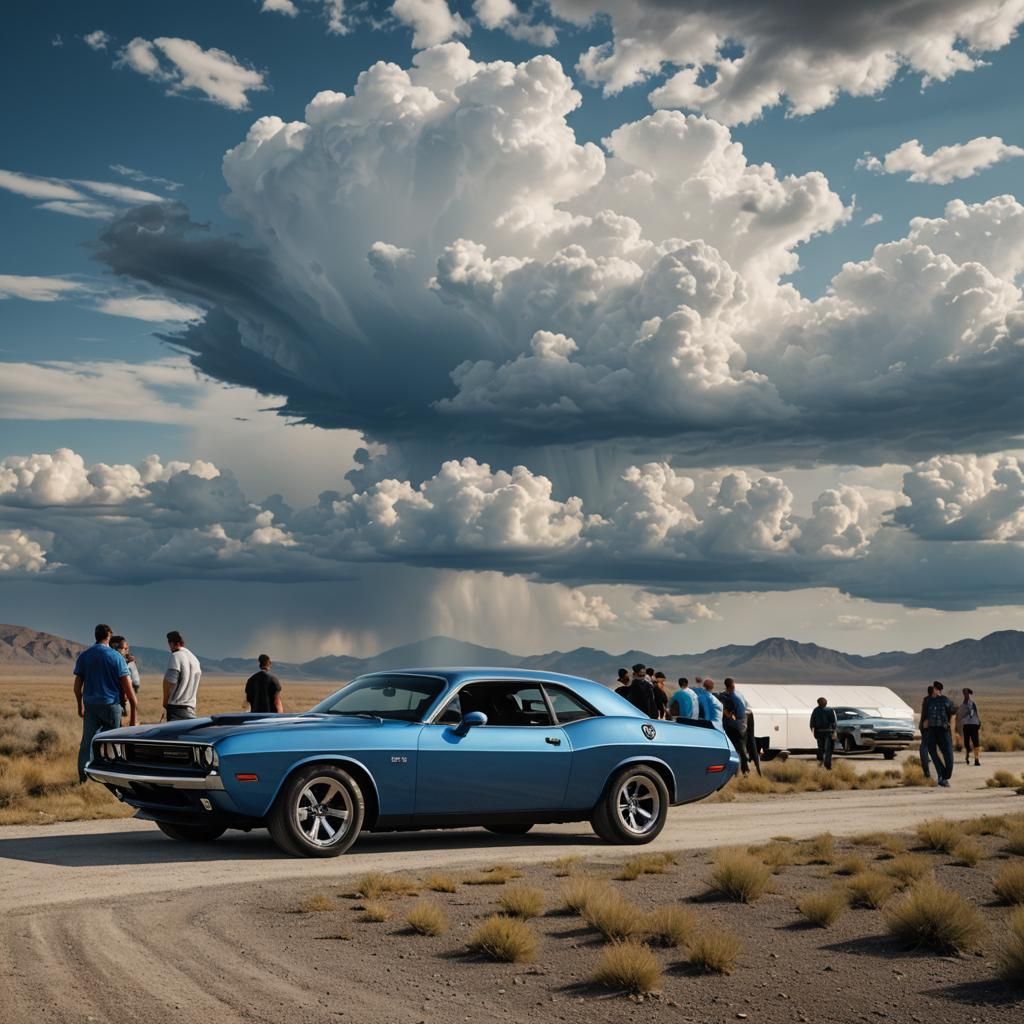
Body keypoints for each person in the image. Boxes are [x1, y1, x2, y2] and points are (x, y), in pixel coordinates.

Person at [74, 624, 137, 782]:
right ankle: (112, 778)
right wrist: (134, 710)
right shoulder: (116, 657)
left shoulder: (85, 656)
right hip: (111, 705)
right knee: (112, 743)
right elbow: (129, 690)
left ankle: (84, 778)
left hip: (91, 705)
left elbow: (76, 687)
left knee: (87, 743)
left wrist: (79, 705)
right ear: (109, 636)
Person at [922, 681, 956, 787]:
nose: (934, 691)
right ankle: (941, 776)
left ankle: (946, 775)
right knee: (932, 752)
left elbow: (953, 714)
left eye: (935, 689)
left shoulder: (945, 700)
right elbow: (924, 715)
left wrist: (952, 729)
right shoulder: (928, 701)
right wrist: (924, 724)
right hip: (932, 731)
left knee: (949, 755)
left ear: (938, 690)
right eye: (933, 689)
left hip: (943, 730)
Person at [162, 630, 202, 721]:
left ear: (172, 643)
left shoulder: (176, 656)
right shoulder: (194, 659)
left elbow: (169, 681)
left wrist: (165, 701)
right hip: (191, 709)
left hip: (176, 709)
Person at [719, 677, 750, 775]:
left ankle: (735, 771)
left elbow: (729, 715)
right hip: (744, 724)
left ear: (726, 686)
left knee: (734, 748)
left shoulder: (730, 698)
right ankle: (745, 770)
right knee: (742, 748)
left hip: (735, 726)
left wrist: (723, 711)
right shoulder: (739, 694)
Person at [110, 636, 141, 707]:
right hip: (120, 698)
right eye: (123, 648)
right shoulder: (125, 663)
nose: (126, 651)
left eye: (126, 648)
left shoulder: (126, 662)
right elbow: (133, 681)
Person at [809, 697, 837, 770]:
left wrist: (813, 732)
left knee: (820, 748)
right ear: (825, 703)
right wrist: (834, 731)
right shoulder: (830, 710)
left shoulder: (815, 710)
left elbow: (812, 722)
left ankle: (820, 762)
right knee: (828, 749)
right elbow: (833, 722)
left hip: (819, 732)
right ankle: (827, 765)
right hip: (828, 732)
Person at [956, 688, 982, 766]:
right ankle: (967, 755)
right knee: (967, 742)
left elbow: (973, 712)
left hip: (973, 724)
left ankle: (976, 759)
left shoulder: (971, 702)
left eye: (966, 693)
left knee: (975, 742)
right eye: (964, 693)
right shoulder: (963, 703)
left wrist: (978, 721)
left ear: (969, 694)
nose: (965, 695)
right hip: (967, 725)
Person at [918, 683, 935, 779]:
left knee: (924, 746)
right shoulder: (933, 700)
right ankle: (928, 771)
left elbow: (924, 714)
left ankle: (927, 771)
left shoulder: (926, 700)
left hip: (925, 726)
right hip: (930, 727)